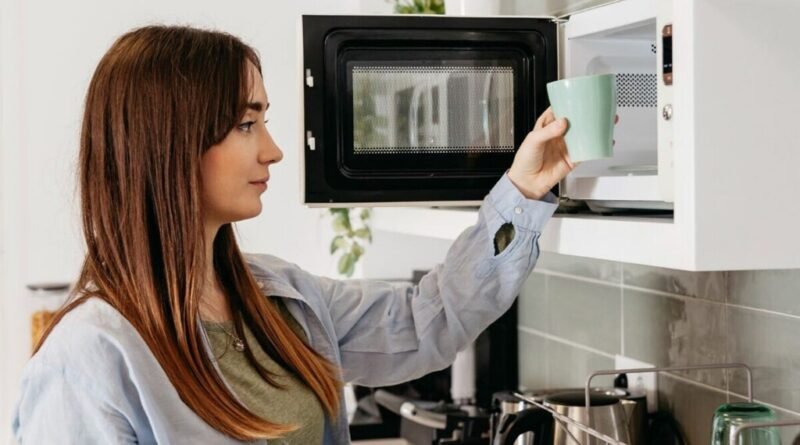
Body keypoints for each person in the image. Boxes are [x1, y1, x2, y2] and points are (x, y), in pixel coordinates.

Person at [11, 25, 575, 444]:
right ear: (170, 144)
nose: (274, 150)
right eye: (245, 124)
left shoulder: (282, 298)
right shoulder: (87, 360)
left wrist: (520, 195)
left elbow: (427, 320)